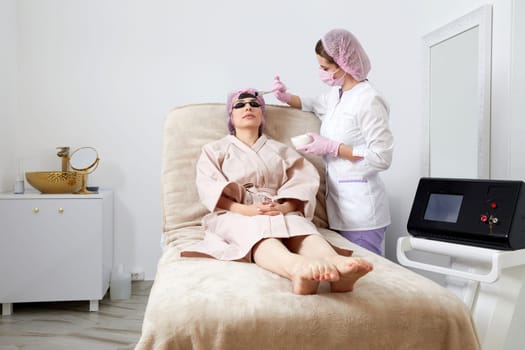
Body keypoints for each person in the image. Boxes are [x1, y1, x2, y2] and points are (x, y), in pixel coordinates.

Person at [180, 88, 373, 295]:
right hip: (234, 212)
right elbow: (209, 188)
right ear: (231, 115)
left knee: (299, 226)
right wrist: (247, 211)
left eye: (255, 104)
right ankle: (296, 269)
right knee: (256, 230)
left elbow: (302, 182)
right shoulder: (214, 150)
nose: (248, 107)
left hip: (277, 208)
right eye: (240, 104)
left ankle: (336, 264)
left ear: (262, 115)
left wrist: (284, 207)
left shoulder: (280, 150)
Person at [271, 28, 394, 256]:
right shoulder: (337, 94)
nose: (321, 72)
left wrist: (334, 148)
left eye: (325, 68)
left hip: (362, 212)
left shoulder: (369, 100)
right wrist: (286, 97)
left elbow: (381, 157)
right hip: (339, 208)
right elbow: (312, 103)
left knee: (369, 277)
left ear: (343, 64)